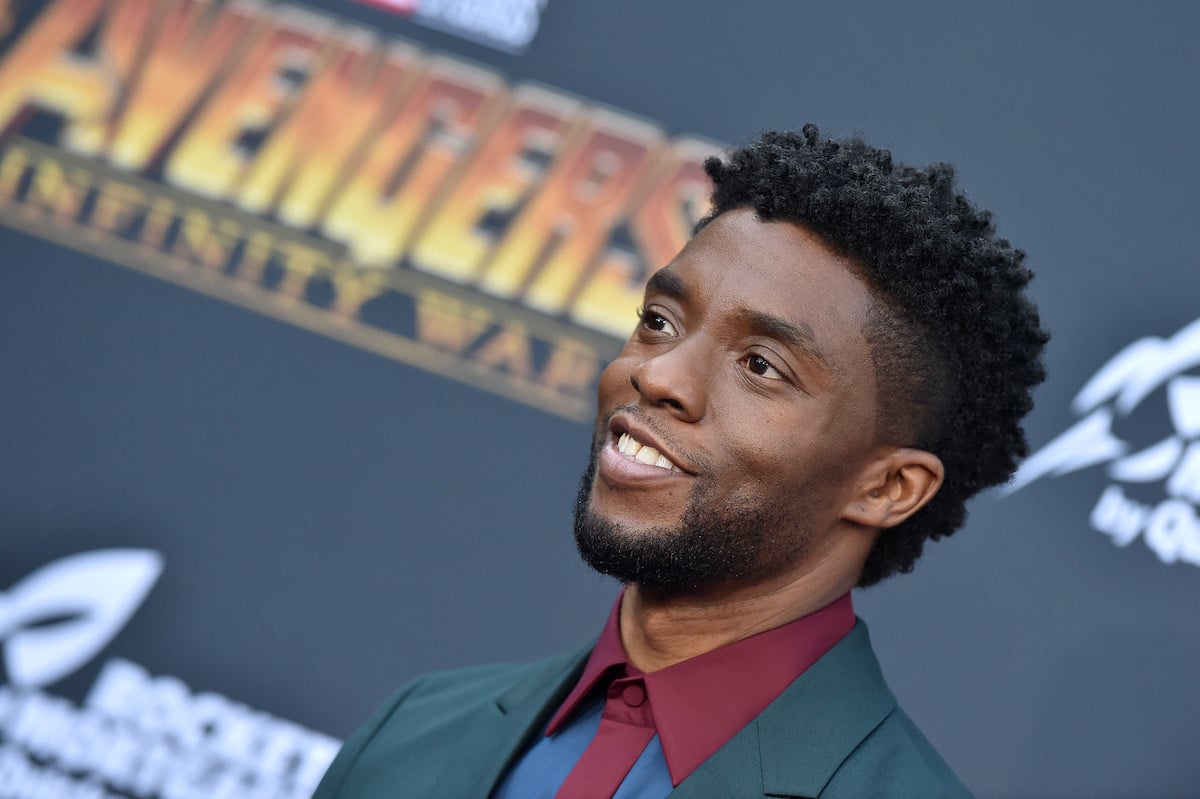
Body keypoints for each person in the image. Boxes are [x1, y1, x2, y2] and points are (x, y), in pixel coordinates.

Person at [311, 125, 1048, 798]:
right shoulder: (413, 730)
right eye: (660, 322)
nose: (660, 376)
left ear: (888, 486)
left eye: (761, 365)